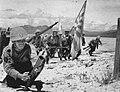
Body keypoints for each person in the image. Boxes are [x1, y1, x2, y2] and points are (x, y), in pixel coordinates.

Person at [1, 27, 46, 91]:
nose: (21, 43)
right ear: (14, 42)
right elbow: (8, 68)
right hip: (15, 72)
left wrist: (36, 68)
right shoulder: (7, 51)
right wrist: (20, 75)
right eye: (19, 41)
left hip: (26, 70)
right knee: (11, 81)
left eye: (23, 40)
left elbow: (34, 62)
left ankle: (27, 82)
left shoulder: (29, 48)